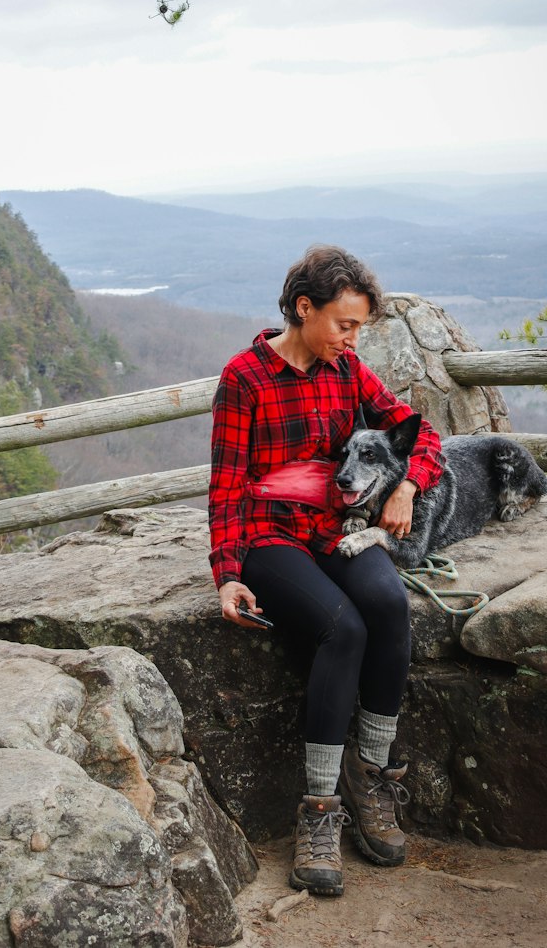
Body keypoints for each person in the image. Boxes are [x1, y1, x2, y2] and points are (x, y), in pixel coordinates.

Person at [208, 244, 444, 897]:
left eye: (360, 326)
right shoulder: (244, 380)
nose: (353, 337)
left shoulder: (348, 372)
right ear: (303, 309)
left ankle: (368, 777)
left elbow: (421, 434)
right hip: (270, 539)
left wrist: (406, 489)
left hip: (337, 532)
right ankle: (318, 811)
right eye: (345, 324)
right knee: (343, 630)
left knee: (389, 606)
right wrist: (228, 573)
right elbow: (227, 487)